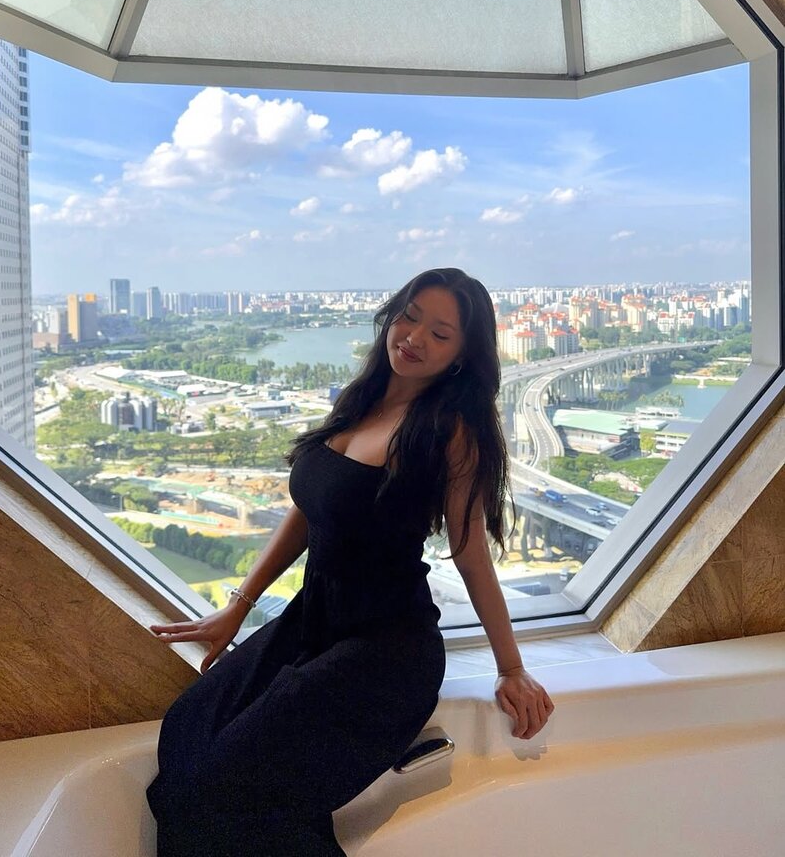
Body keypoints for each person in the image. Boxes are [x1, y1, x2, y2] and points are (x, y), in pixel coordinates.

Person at [146, 267, 555, 856]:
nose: (414, 337)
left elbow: (471, 556)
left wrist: (511, 668)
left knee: (225, 789)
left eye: (440, 334)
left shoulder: (449, 432)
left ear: (462, 355)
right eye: (410, 317)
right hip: (312, 624)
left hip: (384, 651)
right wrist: (237, 608)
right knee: (187, 728)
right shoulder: (357, 400)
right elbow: (310, 511)